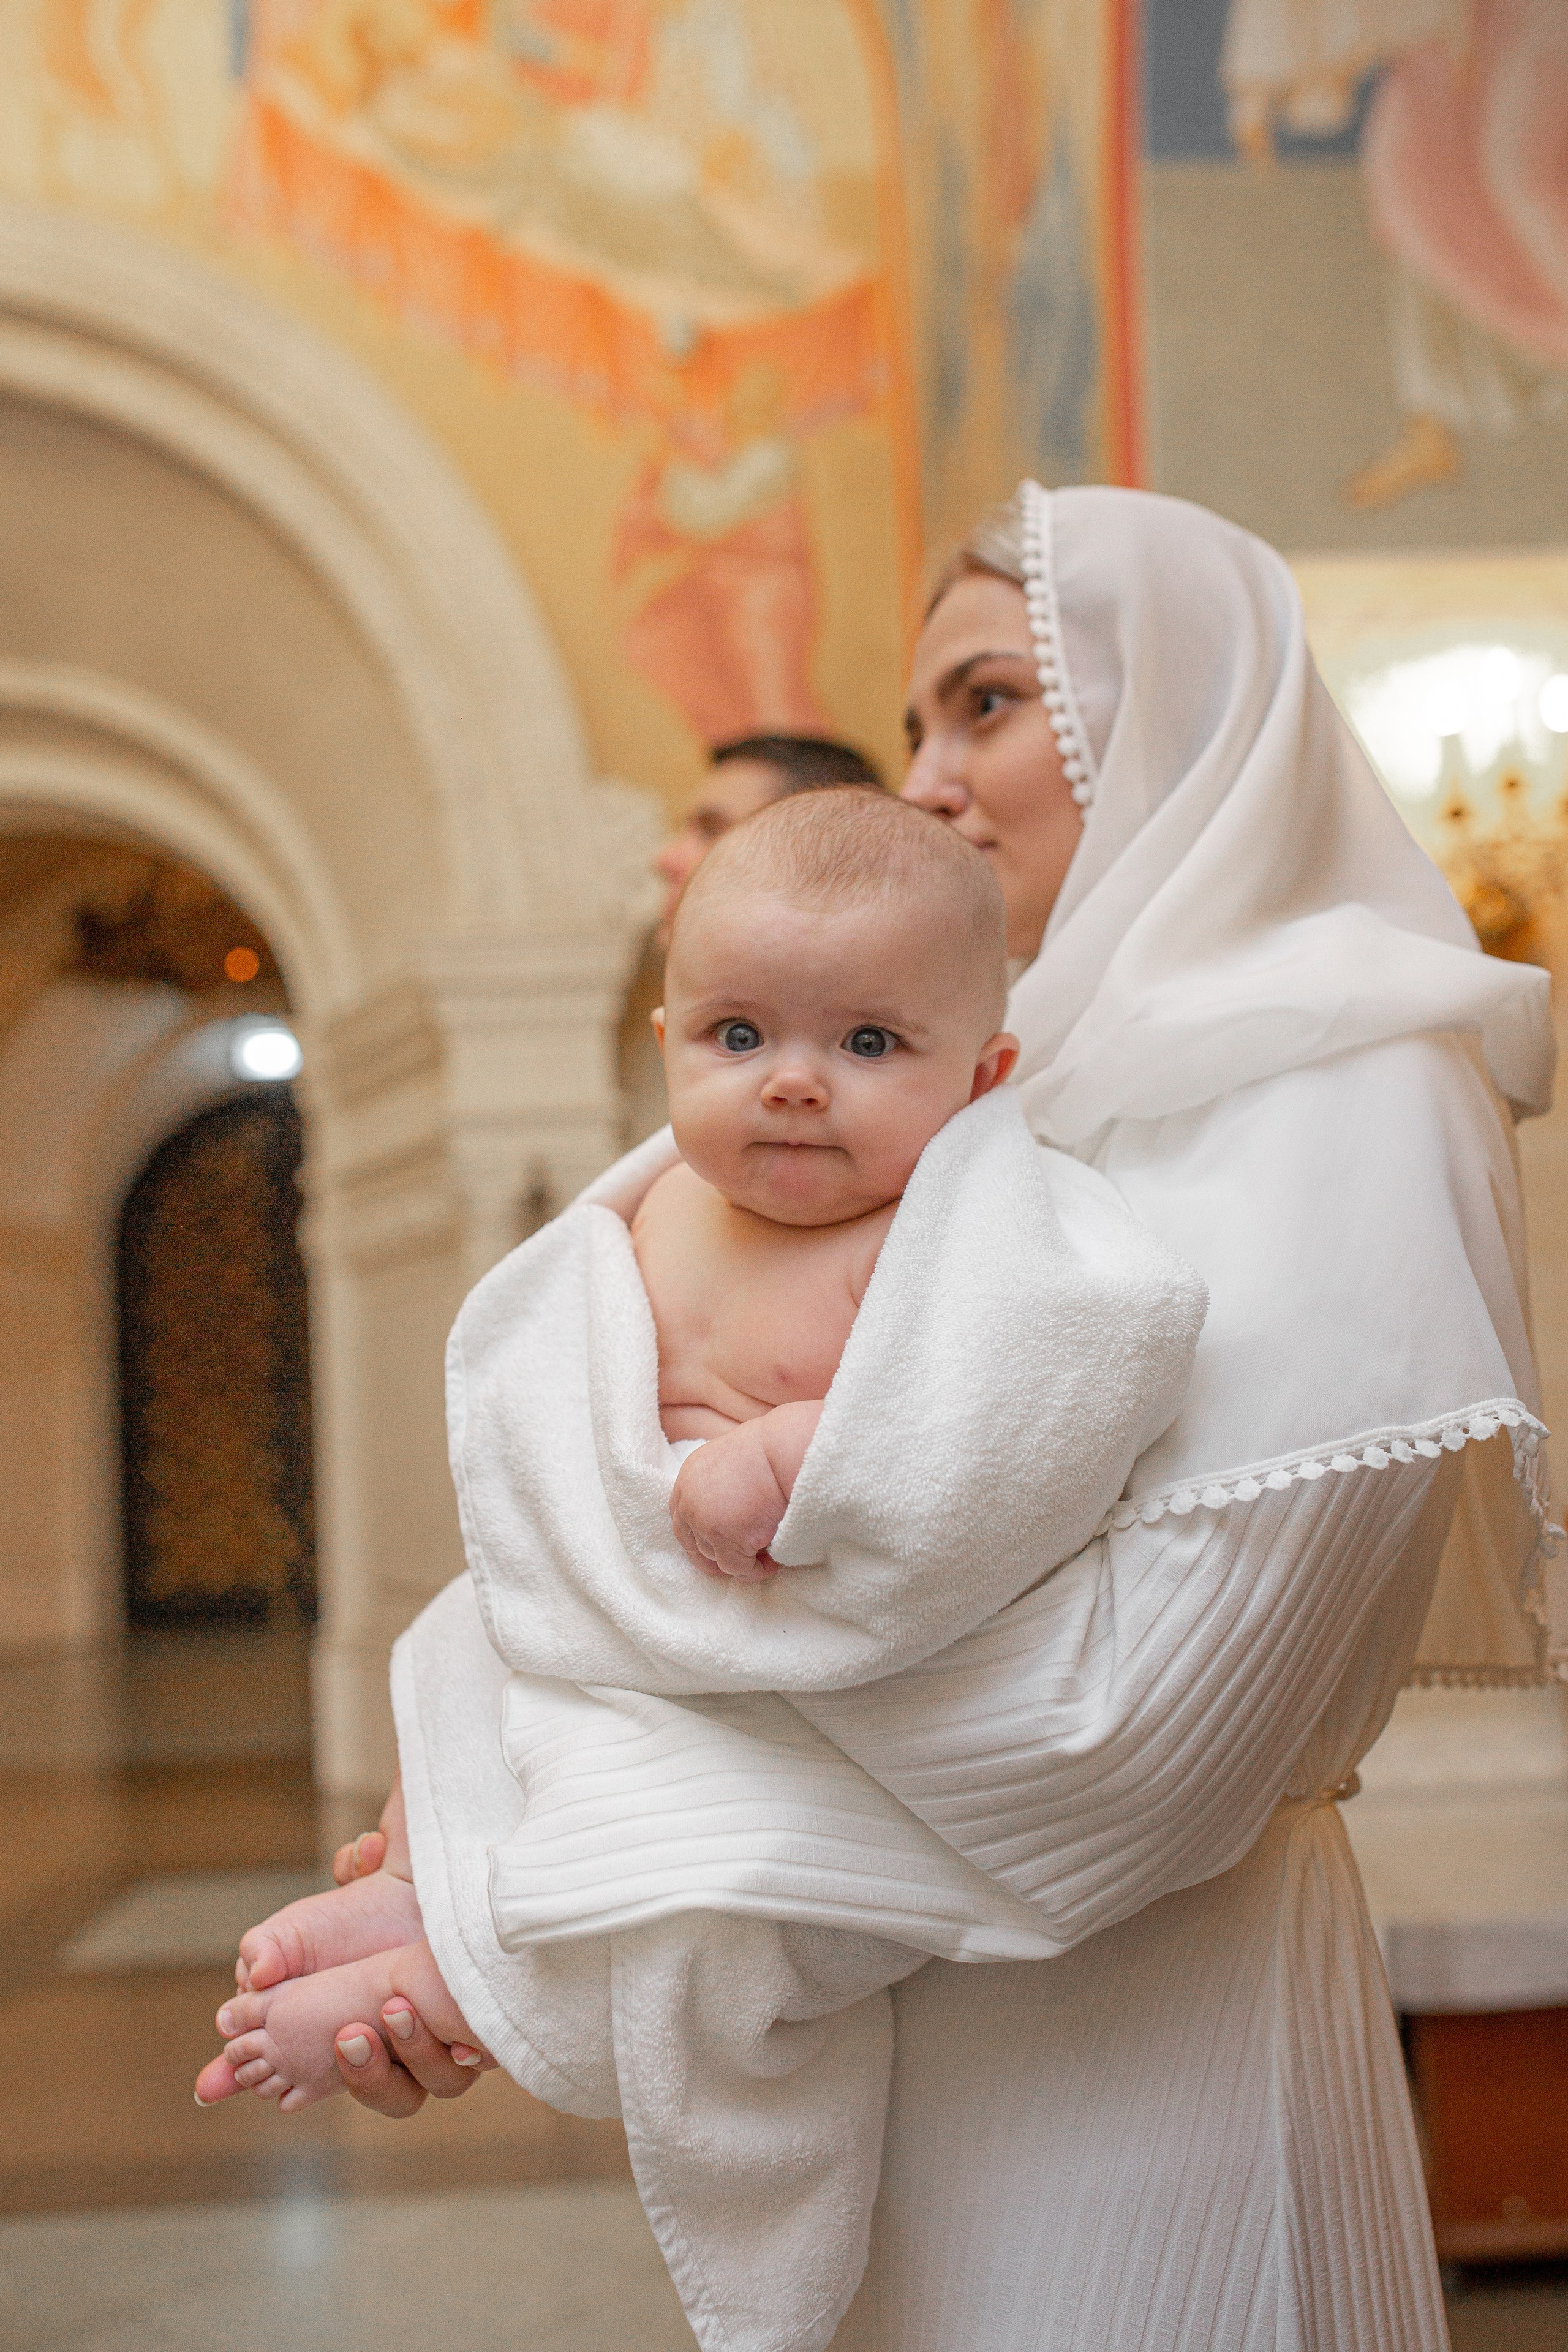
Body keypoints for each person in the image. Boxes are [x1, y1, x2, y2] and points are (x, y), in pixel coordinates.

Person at [254, 483, 1557, 2352]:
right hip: (880, 2040)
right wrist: (480, 1816)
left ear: (1182, 708)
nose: (929, 779)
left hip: (1149, 2043)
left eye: (991, 704)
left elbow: (1132, 1744)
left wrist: (542, 1883)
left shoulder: (1348, 1088)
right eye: (916, 720)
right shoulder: (984, 1103)